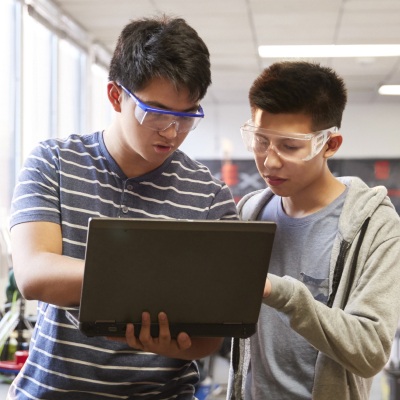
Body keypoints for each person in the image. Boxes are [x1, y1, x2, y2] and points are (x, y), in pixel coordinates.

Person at [8, 15, 238, 399]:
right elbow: (34, 274)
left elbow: (209, 335)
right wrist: (163, 279)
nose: (171, 131)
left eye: (187, 116)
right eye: (156, 111)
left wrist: (173, 343)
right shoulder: (54, 162)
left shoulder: (209, 196)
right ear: (116, 96)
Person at [227, 61, 400, 400]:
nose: (269, 161)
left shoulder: (374, 227)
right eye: (261, 140)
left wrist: (283, 294)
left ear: (330, 144)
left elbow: (370, 351)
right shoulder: (249, 213)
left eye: (290, 146)